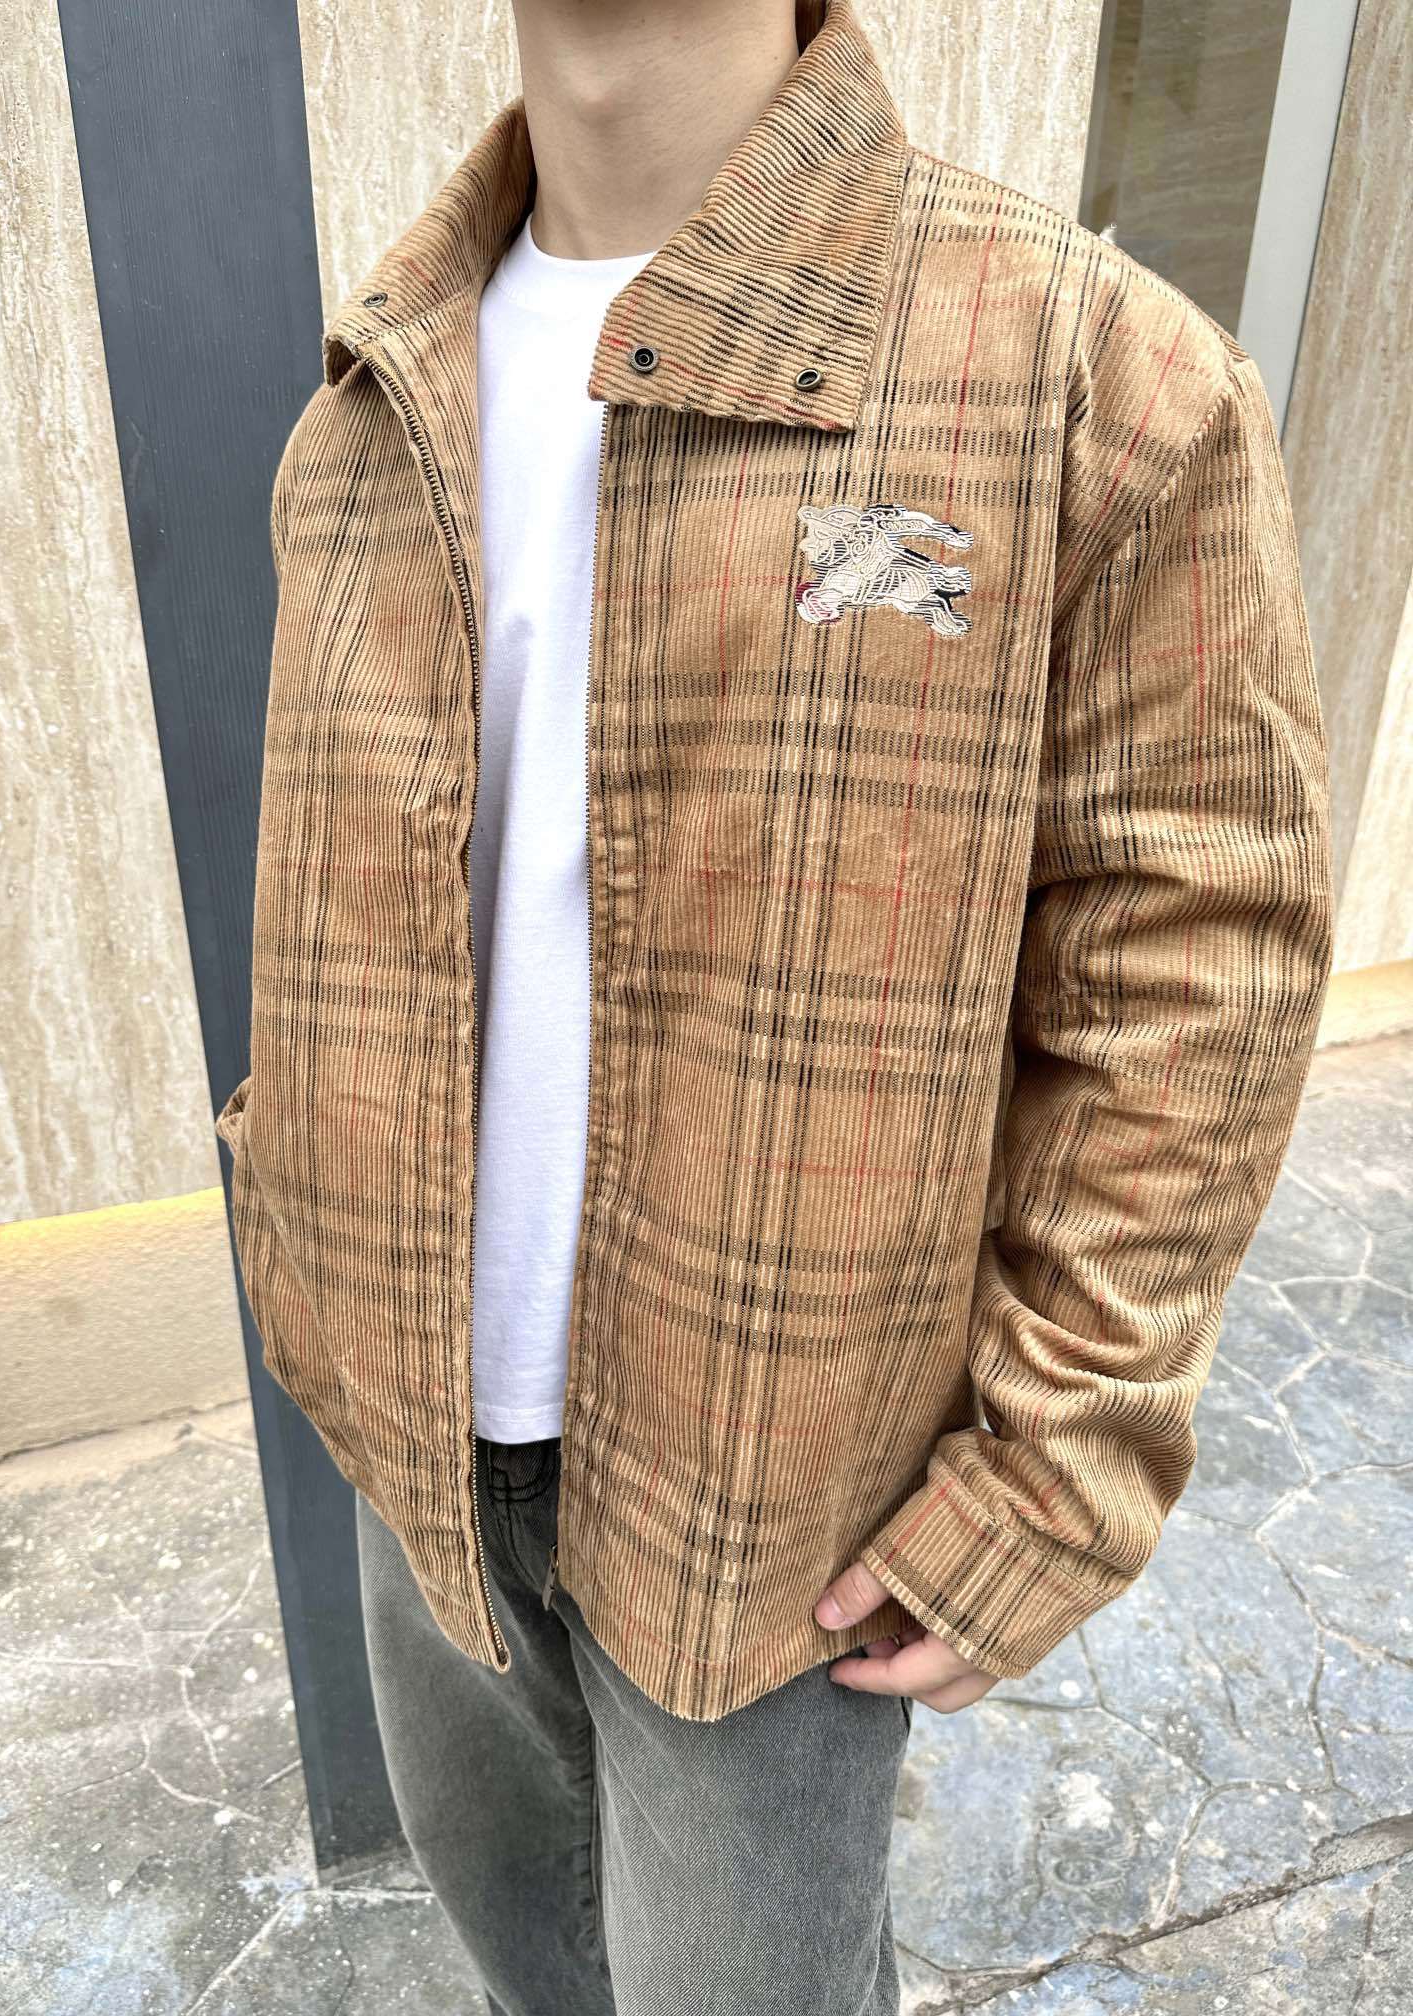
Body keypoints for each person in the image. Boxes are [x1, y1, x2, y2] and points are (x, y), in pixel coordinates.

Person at [215, 0, 1334, 2007]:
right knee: (526, 1962)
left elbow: (1198, 962)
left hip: (776, 1502)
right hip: (412, 1451)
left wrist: (1055, 1464)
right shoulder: (373, 402)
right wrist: (301, 1231)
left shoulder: (1091, 382)